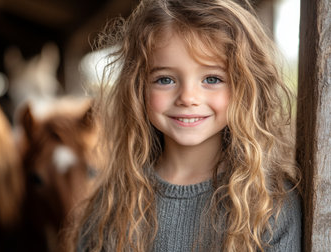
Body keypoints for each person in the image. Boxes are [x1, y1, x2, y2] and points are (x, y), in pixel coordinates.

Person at [69, 0, 302, 251]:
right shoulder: (112, 203)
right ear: (138, 87)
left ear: (244, 87)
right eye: (165, 79)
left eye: (212, 78)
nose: (188, 97)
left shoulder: (270, 202)